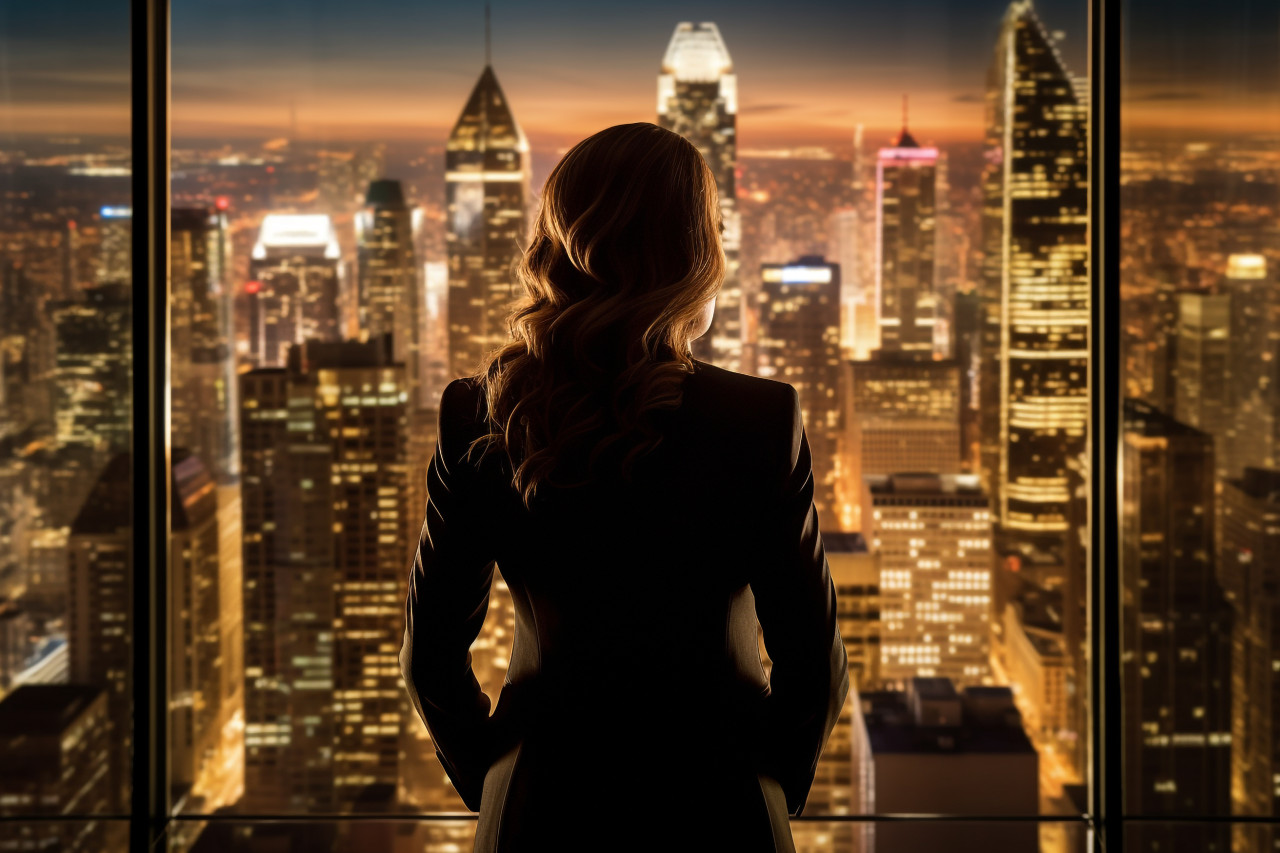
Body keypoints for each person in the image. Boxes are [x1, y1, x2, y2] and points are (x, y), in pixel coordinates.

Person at [400, 121, 848, 852]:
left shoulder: (481, 412)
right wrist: (768, 791)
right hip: (720, 804)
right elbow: (811, 662)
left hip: (540, 807)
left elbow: (432, 660)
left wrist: (499, 781)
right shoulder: (760, 418)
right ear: (694, 255)